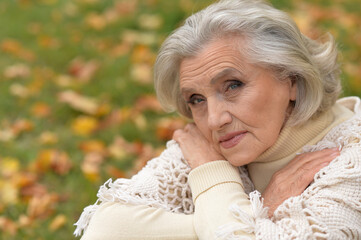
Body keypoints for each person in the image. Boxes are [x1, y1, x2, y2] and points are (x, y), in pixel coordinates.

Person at [74, 0, 361, 239]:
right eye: (196, 99)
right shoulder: (208, 149)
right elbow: (105, 228)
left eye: (233, 85)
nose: (214, 120)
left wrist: (219, 202)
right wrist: (259, 210)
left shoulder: (351, 164)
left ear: (293, 80)